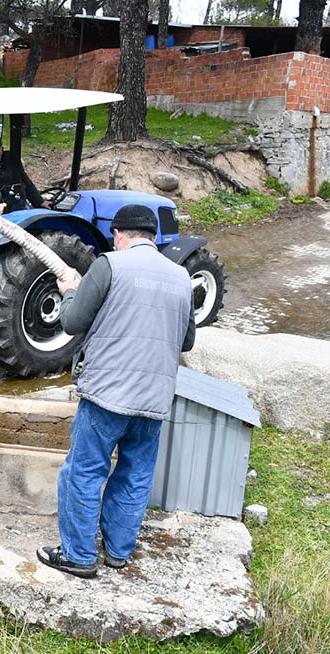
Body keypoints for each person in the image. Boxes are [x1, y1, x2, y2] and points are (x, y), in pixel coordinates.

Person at [36, 204, 195, 579]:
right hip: (154, 399)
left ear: (119, 235)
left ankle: (78, 556)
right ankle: (118, 552)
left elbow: (72, 322)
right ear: (153, 237)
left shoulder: (109, 264)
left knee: (84, 472)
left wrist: (70, 291)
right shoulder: (181, 276)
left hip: (107, 395)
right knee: (135, 475)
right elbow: (186, 340)